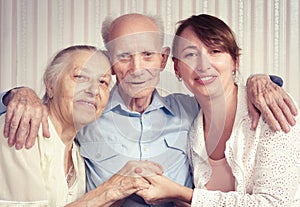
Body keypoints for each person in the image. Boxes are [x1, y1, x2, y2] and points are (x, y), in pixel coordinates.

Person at [0, 13, 298, 207]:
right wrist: (15, 94)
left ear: (165, 60)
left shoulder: (188, 111)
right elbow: (49, 105)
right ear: (110, 62)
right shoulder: (87, 112)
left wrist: (261, 81)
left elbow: (223, 92)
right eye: (124, 56)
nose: (137, 69)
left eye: (147, 54)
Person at [134, 14, 300, 206]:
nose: (203, 65)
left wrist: (181, 193)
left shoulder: (272, 108)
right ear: (177, 68)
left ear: (235, 61)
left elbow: (275, 202)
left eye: (215, 51)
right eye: (190, 55)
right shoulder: (188, 123)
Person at [0, 45, 162, 207]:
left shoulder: (77, 153)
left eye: (103, 82)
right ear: (50, 85)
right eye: (80, 77)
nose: (93, 90)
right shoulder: (22, 127)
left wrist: (125, 188)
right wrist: (110, 190)